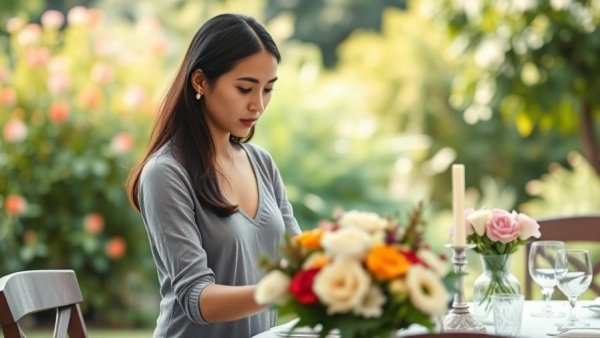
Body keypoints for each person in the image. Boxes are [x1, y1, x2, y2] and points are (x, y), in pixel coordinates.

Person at [125, 13, 301, 338]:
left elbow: (299, 257)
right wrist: (280, 289)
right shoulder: (166, 174)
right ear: (201, 82)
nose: (258, 106)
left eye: (267, 90)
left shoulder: (261, 162)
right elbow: (198, 300)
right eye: (245, 88)